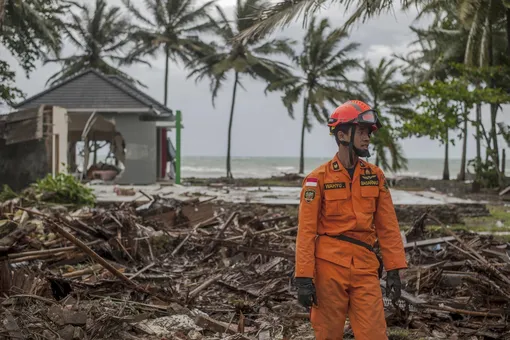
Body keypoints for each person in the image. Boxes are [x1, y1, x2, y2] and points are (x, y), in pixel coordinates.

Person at [294, 100, 408, 340]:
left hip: (365, 268)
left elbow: (388, 227)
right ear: (343, 134)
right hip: (328, 269)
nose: (367, 137)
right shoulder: (317, 179)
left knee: (375, 334)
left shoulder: (375, 176)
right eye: (363, 131)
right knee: (328, 335)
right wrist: (304, 277)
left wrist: (394, 269)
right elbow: (306, 232)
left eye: (369, 132)